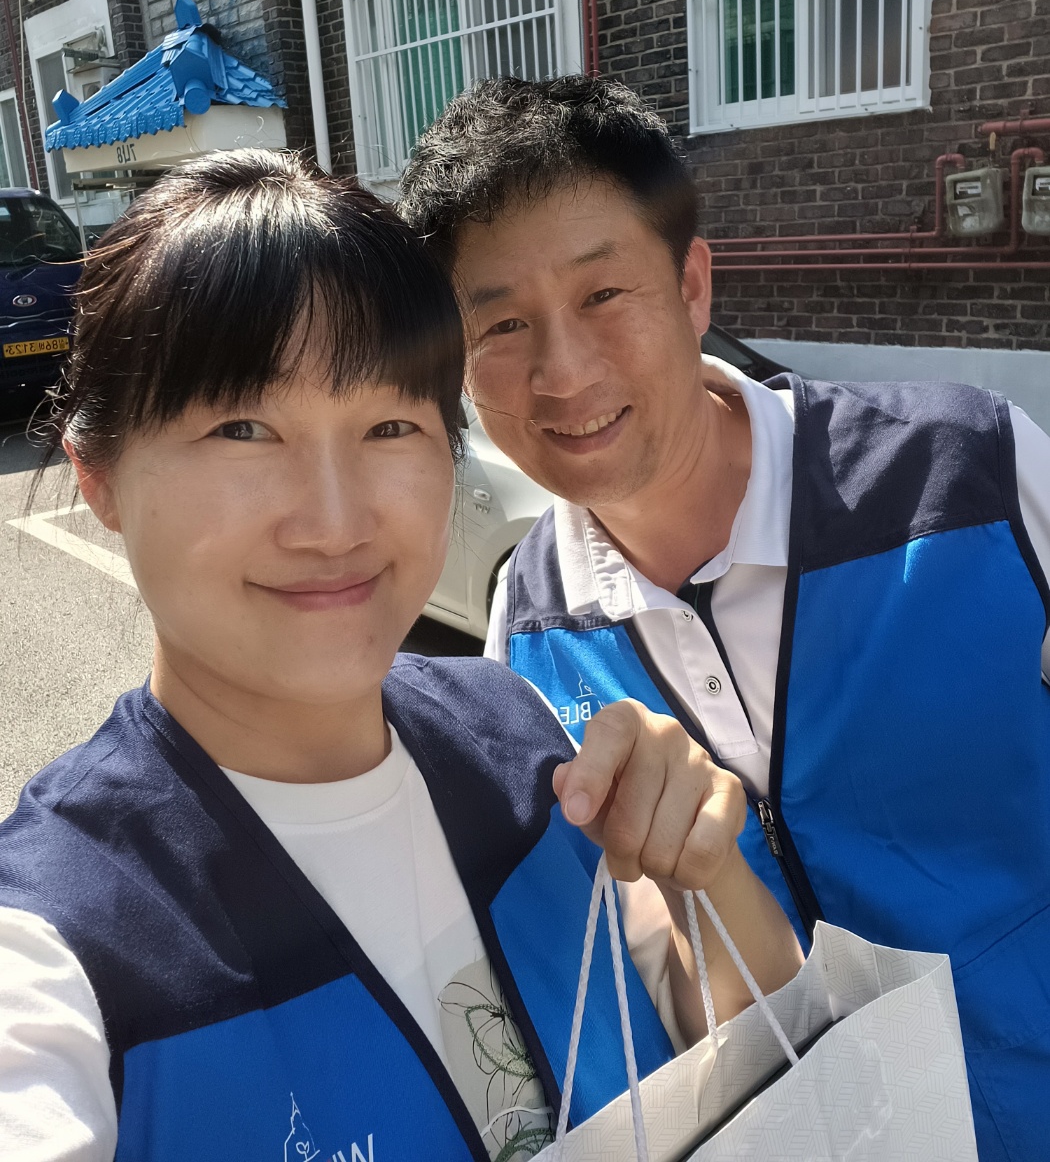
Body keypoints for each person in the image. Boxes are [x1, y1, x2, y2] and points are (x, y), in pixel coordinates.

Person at [0, 150, 801, 1162]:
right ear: (99, 474)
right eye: (243, 428)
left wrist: (706, 873)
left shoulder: (515, 740)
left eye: (388, 425)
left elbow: (732, 1040)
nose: (335, 522)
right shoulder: (62, 938)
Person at [399, 76, 1050, 1162]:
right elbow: (664, 985)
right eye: (501, 322)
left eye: (604, 294)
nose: (563, 371)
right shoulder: (532, 627)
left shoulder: (974, 474)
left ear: (692, 285)